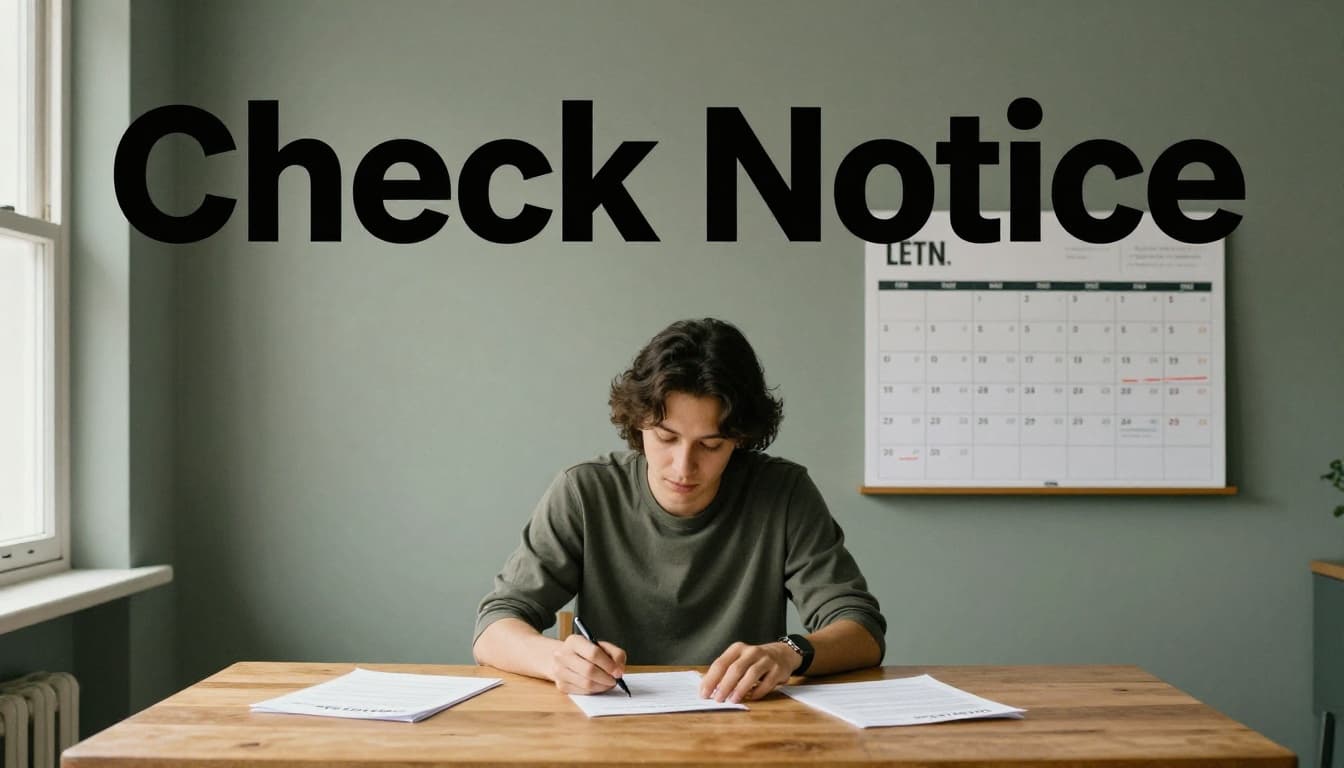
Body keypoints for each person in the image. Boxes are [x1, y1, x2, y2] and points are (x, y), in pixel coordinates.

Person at [472, 318, 885, 704]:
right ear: (638, 424)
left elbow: (861, 629)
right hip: (613, 724)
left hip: (747, 729)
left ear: (739, 440)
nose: (683, 467)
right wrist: (554, 659)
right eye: (666, 437)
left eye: (710, 445)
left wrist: (789, 652)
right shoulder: (585, 490)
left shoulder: (783, 493)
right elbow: (494, 627)